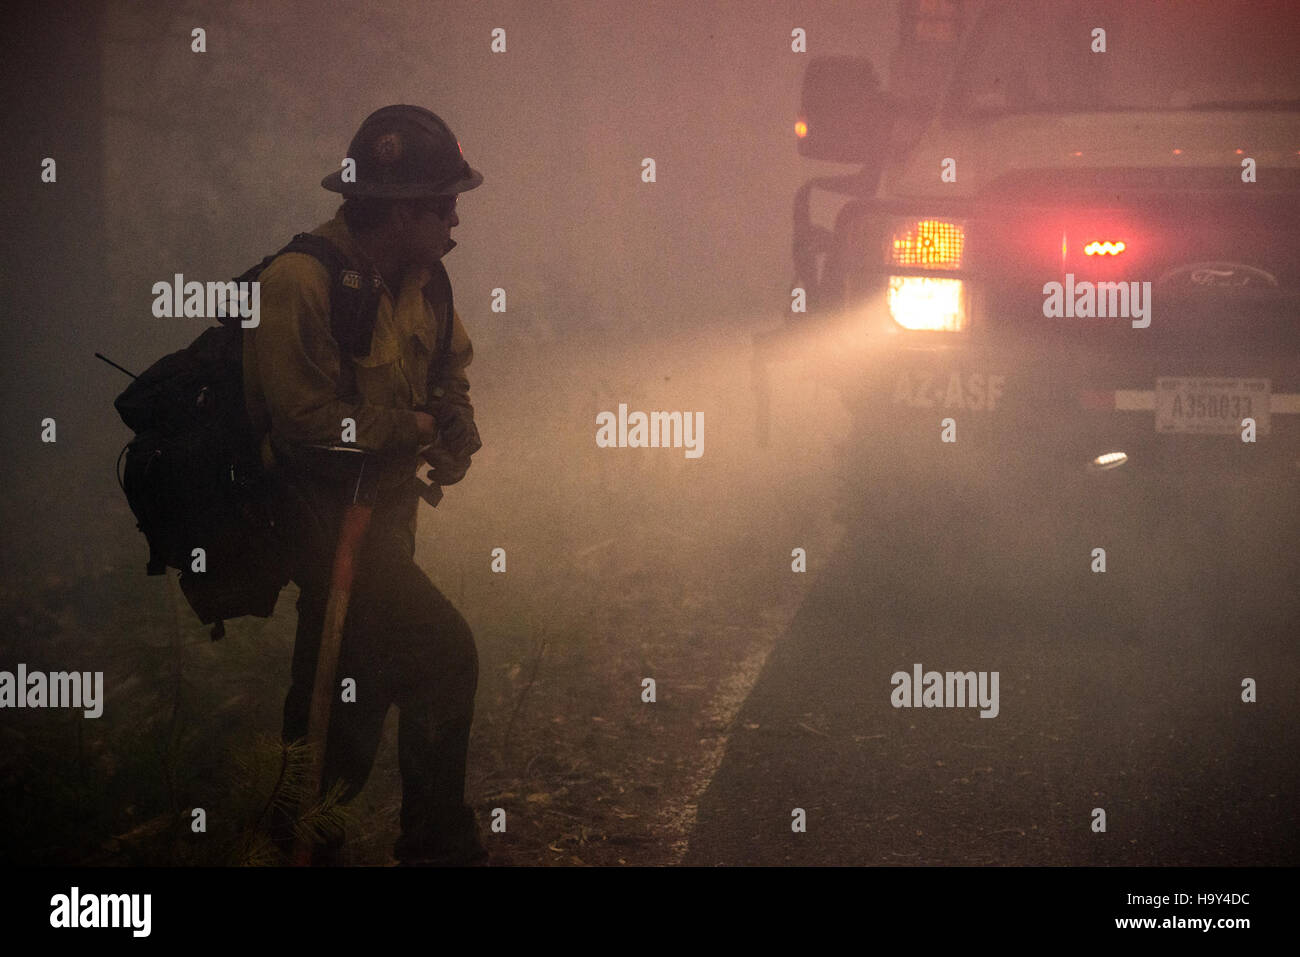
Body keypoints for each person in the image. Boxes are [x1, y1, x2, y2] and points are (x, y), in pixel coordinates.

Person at [242, 104, 486, 865]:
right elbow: (303, 422)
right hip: (318, 529)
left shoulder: (427, 282)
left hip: (383, 526)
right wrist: (408, 429)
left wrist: (454, 427)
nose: (455, 217)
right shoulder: (298, 284)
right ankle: (433, 849)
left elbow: (448, 374)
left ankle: (308, 845)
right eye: (444, 202)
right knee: (438, 655)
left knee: (353, 692)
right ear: (401, 208)